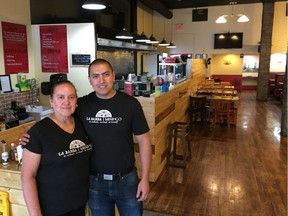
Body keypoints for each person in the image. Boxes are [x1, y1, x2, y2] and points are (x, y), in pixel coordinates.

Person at [75, 58, 152, 216]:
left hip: (127, 180)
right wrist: (31, 134)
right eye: (95, 76)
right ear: (89, 79)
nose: (101, 80)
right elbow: (59, 122)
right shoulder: (81, 105)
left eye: (106, 74)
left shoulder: (131, 104)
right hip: (95, 183)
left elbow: (144, 141)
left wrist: (145, 179)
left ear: (113, 76)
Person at [21, 80, 93, 216]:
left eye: (71, 97)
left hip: (79, 203)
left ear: (76, 100)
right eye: (60, 97)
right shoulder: (38, 132)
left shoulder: (82, 123)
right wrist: (35, 214)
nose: (66, 102)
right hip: (52, 208)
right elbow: (27, 176)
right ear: (51, 101)